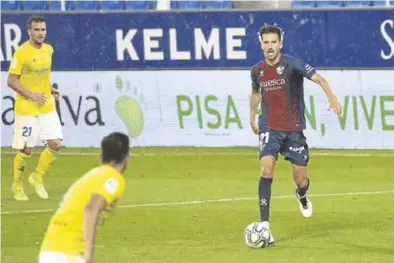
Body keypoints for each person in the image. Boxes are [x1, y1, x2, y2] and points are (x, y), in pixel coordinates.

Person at [249, 25, 342, 245]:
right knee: (266, 168)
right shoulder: (257, 71)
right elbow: (255, 92)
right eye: (266, 42)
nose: (270, 46)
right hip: (269, 127)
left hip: (293, 130)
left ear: (280, 43)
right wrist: (252, 116)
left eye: (274, 42)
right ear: (261, 44)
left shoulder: (292, 64)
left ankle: (301, 194)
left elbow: (320, 79)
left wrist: (332, 100)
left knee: (301, 180)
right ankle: (264, 226)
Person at [38, 132, 130, 263]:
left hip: (51, 248)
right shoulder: (112, 178)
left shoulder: (92, 175)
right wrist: (88, 254)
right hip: (68, 252)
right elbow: (91, 209)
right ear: (127, 158)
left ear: (100, 157)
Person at [7, 15, 63, 201]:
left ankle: (37, 176)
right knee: (26, 150)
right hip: (27, 107)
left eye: (43, 30)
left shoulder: (49, 50)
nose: (40, 33)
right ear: (29, 31)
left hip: (46, 104)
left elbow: (44, 78)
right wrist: (31, 95)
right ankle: (17, 184)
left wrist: (51, 90)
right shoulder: (21, 53)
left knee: (56, 143)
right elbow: (11, 81)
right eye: (37, 30)